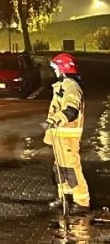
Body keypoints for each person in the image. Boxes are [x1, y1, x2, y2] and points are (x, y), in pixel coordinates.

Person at [44, 52, 90, 212]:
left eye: (56, 68)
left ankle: (82, 201)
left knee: (71, 168)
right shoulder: (64, 86)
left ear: (63, 68)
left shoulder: (72, 87)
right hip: (60, 136)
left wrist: (55, 119)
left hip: (68, 136)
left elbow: (71, 109)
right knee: (60, 168)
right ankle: (64, 196)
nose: (55, 71)